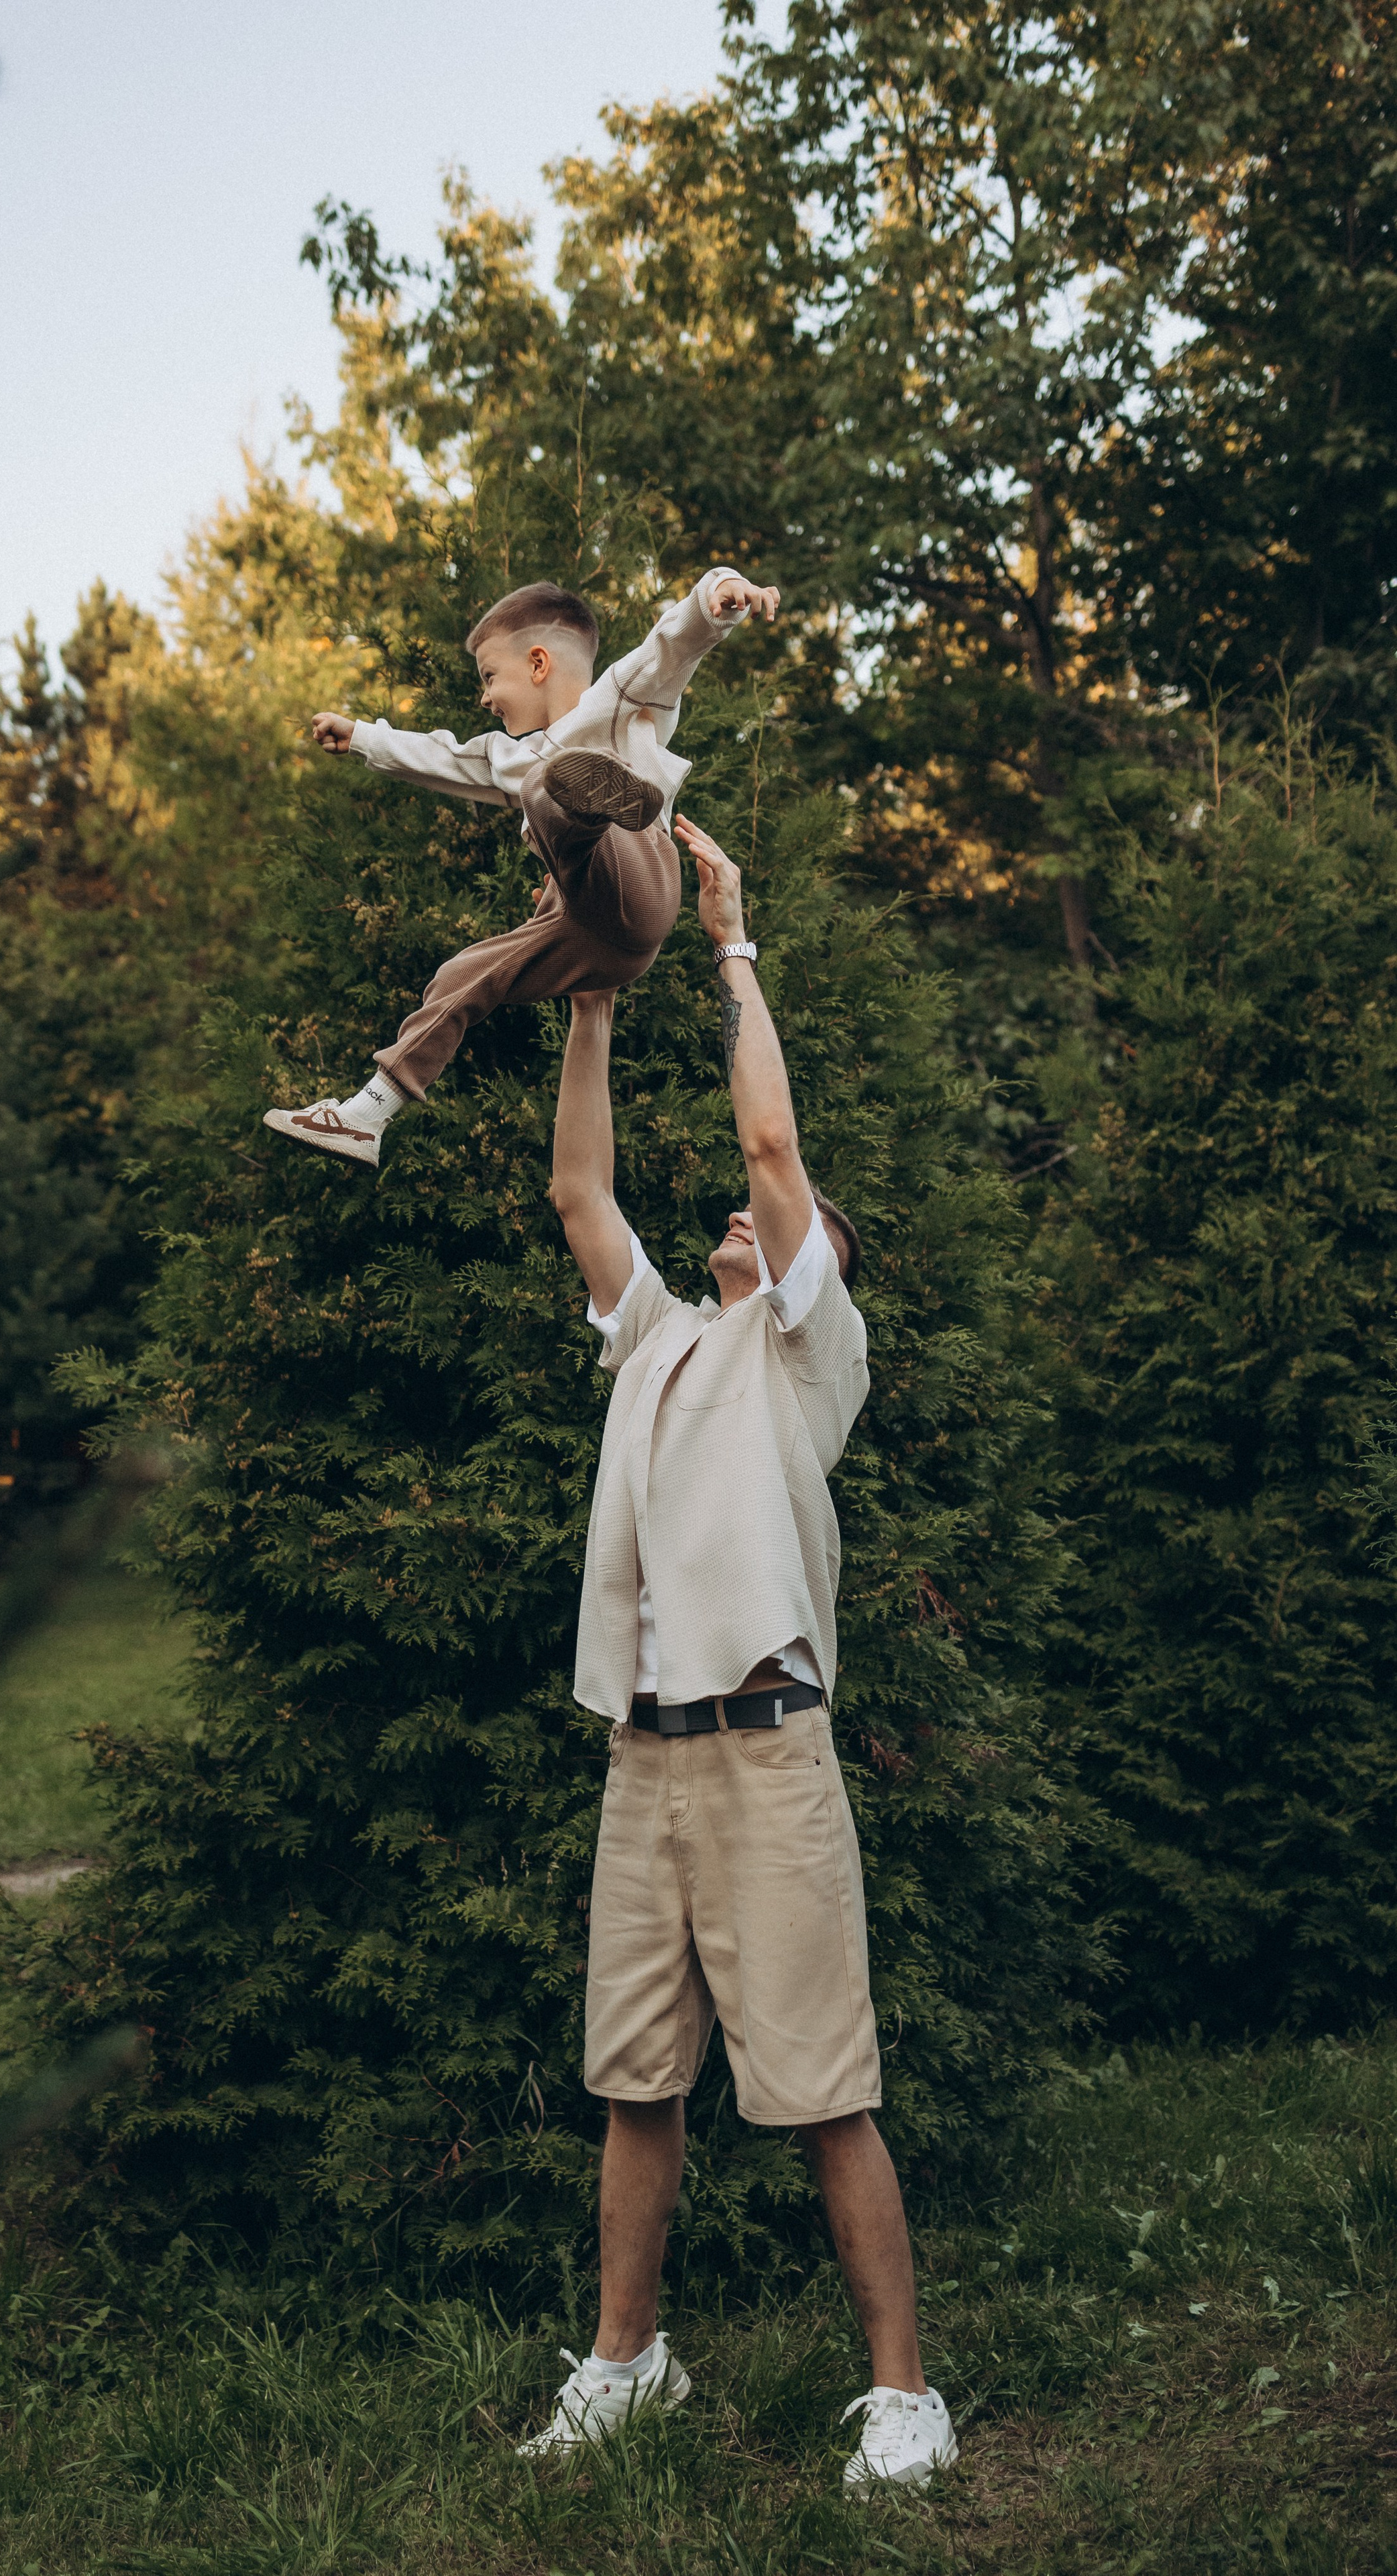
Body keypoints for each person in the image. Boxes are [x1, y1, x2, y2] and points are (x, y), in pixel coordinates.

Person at [523, 815, 959, 2495]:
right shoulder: (657, 1341)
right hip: (645, 1756)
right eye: (752, 1224)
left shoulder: (805, 1353)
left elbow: (770, 1142)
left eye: (786, 1228)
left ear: (819, 1273)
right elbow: (578, 1187)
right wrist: (588, 981)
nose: (750, 1218)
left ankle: (903, 2394)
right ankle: (628, 2361)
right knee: (638, 2083)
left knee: (822, 2088)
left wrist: (723, 937)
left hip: (771, 1751)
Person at [262, 570, 779, 1169]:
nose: (484, 697)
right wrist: (363, 739)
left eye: (489, 677)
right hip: (597, 943)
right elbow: (443, 758)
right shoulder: (510, 757)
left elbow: (670, 646)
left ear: (538, 663)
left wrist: (717, 597)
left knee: (546, 786)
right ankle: (369, 1115)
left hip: (643, 881)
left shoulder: (621, 700)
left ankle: (611, 802)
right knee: (464, 975)